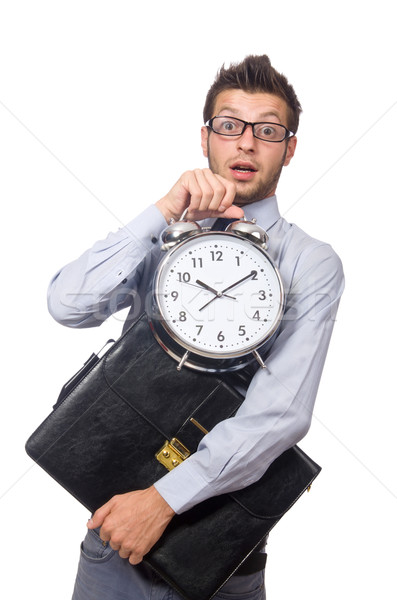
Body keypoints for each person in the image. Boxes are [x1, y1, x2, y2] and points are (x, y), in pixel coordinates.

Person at [48, 55, 344, 600]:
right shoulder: (163, 233)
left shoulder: (310, 262)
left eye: (268, 130)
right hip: (114, 547)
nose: (246, 144)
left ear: (290, 147)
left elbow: (279, 414)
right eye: (229, 125)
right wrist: (162, 211)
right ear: (205, 138)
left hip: (217, 559)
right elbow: (68, 304)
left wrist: (160, 502)